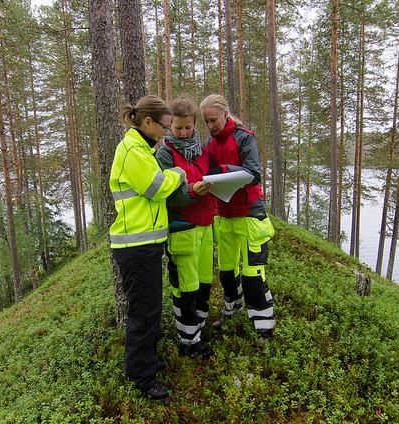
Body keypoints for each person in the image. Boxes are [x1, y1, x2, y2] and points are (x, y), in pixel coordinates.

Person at [109, 95, 185, 400]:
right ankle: (142, 379)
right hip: (136, 247)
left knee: (149, 309)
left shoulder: (141, 148)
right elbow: (156, 188)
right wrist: (177, 175)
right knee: (144, 312)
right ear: (148, 122)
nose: (167, 132)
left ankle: (144, 364)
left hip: (145, 244)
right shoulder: (132, 150)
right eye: (164, 126)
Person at [200, 93, 276, 340]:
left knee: (253, 275)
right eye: (206, 122)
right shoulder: (209, 146)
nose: (210, 126)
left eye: (213, 120)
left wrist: (223, 172)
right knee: (227, 273)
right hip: (223, 215)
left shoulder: (244, 138)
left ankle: (263, 327)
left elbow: (254, 173)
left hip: (250, 215)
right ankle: (232, 310)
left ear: (225, 113)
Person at [155, 96, 214, 358]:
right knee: (186, 288)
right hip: (181, 229)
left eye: (188, 127)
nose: (183, 132)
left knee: (203, 284)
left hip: (205, 226)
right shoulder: (165, 154)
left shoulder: (202, 149)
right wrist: (192, 191)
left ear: (194, 124)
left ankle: (196, 331)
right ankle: (189, 343)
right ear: (170, 126)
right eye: (177, 128)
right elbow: (168, 195)